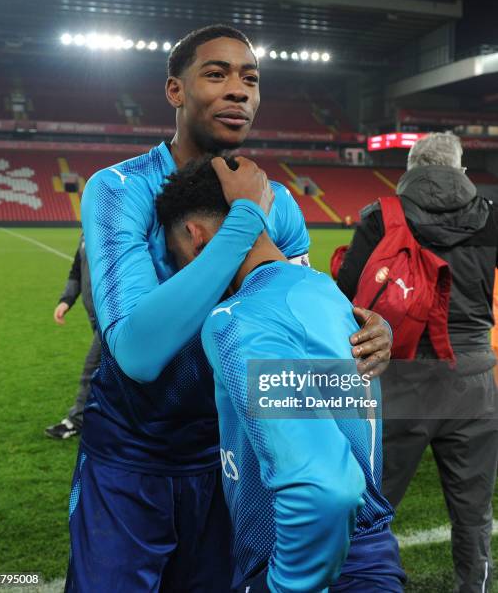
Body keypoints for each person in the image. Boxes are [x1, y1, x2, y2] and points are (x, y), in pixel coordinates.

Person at [66, 24, 393, 592]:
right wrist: (242, 222)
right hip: (131, 458)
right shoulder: (121, 188)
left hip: (230, 458)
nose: (238, 90)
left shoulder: (278, 201)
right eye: (216, 74)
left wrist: (363, 326)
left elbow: (295, 304)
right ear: (175, 90)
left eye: (251, 79)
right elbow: (137, 352)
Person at [155, 155, 406, 592]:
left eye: (178, 257)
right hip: (372, 558)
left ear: (196, 238)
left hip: (313, 564)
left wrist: (288, 585)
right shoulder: (328, 294)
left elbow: (326, 488)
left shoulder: (236, 318)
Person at [337, 132, 498, 593]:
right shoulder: (489, 218)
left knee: (372, 507)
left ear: (411, 169)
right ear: (460, 168)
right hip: (472, 382)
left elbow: (347, 298)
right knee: (473, 513)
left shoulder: (379, 217)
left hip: (398, 379)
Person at [45, 234, 101, 440]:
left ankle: (76, 421)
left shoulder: (114, 223)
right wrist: (66, 300)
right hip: (94, 314)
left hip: (112, 316)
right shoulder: (86, 231)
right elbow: (77, 270)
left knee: (92, 366)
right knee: (112, 370)